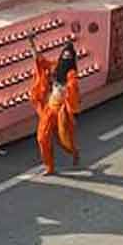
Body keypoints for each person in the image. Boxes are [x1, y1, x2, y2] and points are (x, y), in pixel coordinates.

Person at [30, 40, 79, 174]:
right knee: (42, 137)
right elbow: (40, 61)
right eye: (64, 55)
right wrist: (32, 44)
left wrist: (68, 88)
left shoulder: (72, 74)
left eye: (69, 57)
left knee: (65, 140)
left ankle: (74, 152)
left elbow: (73, 86)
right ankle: (49, 167)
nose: (66, 58)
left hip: (62, 112)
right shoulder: (55, 67)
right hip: (50, 108)